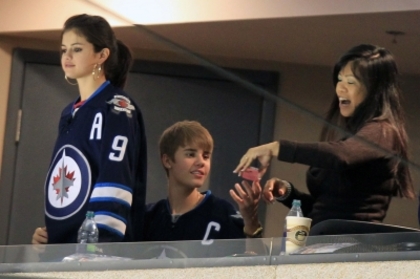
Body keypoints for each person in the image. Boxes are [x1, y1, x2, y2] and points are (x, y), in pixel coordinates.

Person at [234, 44, 415, 227]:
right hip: (325, 240)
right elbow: (324, 211)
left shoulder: (384, 131)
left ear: (375, 89)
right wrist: (288, 193)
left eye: (350, 82)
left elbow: (341, 155)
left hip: (350, 245)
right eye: (339, 80)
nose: (340, 89)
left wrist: (278, 147)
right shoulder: (356, 137)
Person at [32, 14, 147, 244]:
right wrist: (51, 235)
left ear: (102, 55)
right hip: (62, 252)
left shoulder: (117, 108)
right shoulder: (69, 113)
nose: (67, 56)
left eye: (77, 49)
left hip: (94, 255)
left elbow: (115, 178)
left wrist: (98, 244)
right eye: (64, 49)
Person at [143, 121, 263, 257]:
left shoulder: (223, 214)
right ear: (167, 160)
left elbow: (258, 270)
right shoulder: (147, 218)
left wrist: (251, 223)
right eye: (190, 154)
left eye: (206, 156)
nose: (201, 162)